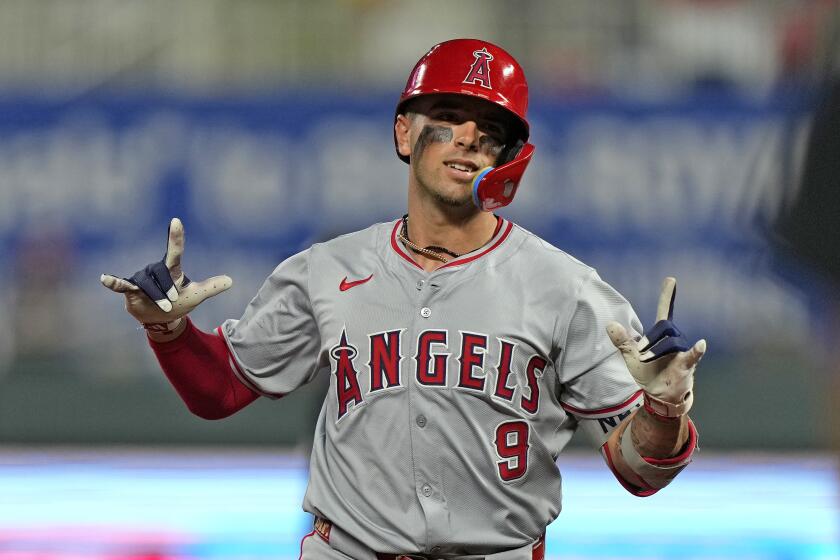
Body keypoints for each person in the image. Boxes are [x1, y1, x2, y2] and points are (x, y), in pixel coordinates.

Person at [101, 39, 705, 560]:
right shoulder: (326, 270)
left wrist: (664, 410)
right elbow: (221, 390)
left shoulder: (566, 287)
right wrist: (170, 334)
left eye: (489, 130)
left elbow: (640, 472)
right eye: (446, 116)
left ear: (509, 157)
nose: (467, 138)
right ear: (404, 131)